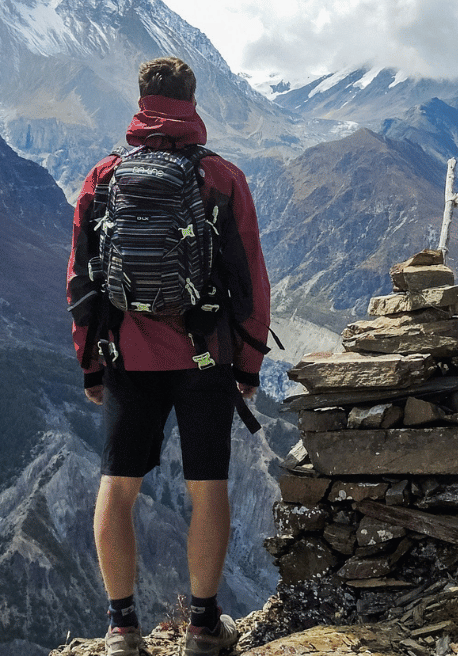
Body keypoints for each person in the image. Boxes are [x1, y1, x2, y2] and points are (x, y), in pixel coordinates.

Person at [67, 56, 271, 656]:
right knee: (208, 488)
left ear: (140, 101)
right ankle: (204, 629)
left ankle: (122, 628)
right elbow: (250, 278)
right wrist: (250, 362)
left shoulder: (103, 177)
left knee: (118, 486)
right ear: (193, 100)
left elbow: (81, 278)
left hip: (127, 356)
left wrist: (90, 361)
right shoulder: (222, 178)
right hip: (205, 356)